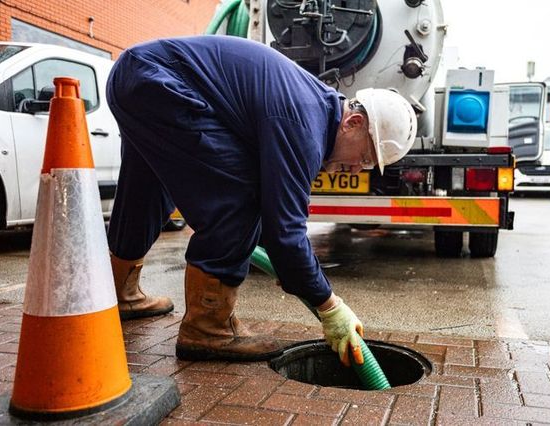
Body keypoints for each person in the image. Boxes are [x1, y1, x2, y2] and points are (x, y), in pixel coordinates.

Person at [106, 35, 417, 365]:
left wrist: (296, 270)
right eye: (366, 157)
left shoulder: (311, 109)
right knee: (240, 199)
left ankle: (120, 293)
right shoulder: (304, 123)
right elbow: (285, 233)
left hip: (135, 75)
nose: (359, 167)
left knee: (146, 189)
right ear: (354, 123)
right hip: (158, 83)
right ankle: (207, 328)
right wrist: (329, 305)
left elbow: (278, 227)